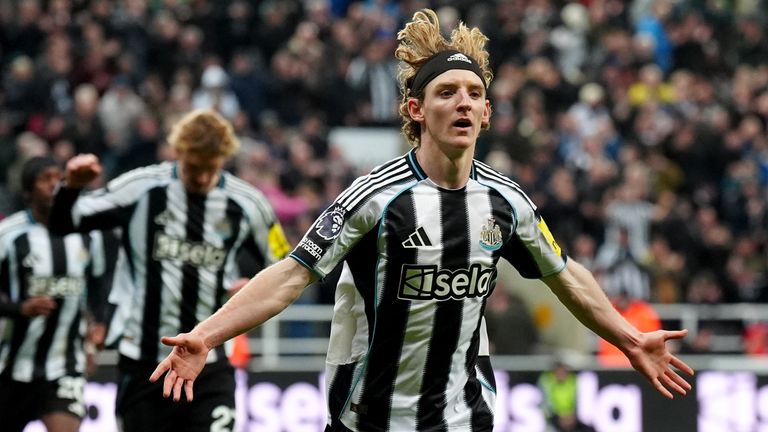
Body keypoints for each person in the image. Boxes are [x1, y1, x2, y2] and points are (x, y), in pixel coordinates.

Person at [149, 9, 693, 432]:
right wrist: (205, 335)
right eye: (447, 93)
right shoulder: (374, 198)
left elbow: (565, 272)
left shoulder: (507, 203)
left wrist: (628, 337)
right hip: (368, 413)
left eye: (474, 94)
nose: (463, 102)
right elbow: (292, 274)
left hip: (465, 413)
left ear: (487, 113)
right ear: (415, 110)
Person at [49, 109, 291, 432]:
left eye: (211, 167)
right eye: (194, 167)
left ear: (223, 158)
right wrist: (70, 189)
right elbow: (65, 222)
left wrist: (251, 285)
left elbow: (285, 262)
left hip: (211, 363)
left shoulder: (249, 203)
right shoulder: (142, 188)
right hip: (144, 360)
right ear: (178, 152)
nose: (203, 177)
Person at [0, 156, 111, 432]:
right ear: (27, 192)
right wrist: (19, 309)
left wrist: (98, 323)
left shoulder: (87, 234)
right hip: (14, 366)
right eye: (45, 179)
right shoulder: (9, 236)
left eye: (59, 179)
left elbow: (99, 284)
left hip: (66, 366)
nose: (54, 185)